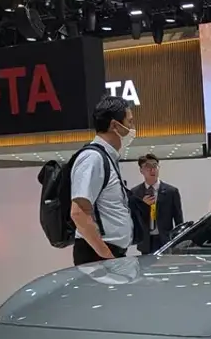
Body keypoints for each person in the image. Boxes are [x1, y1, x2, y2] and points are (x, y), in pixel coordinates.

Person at [70, 96, 137, 266]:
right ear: (115, 125)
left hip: (107, 254)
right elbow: (78, 213)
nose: (132, 128)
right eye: (129, 122)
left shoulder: (106, 157)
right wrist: (107, 257)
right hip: (98, 256)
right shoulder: (93, 158)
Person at [128, 154, 184, 254]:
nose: (152, 170)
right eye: (148, 166)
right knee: (145, 264)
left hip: (165, 239)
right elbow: (133, 218)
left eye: (155, 166)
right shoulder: (135, 192)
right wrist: (142, 205)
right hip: (145, 240)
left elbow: (178, 218)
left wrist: (179, 239)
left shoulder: (171, 191)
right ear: (141, 170)